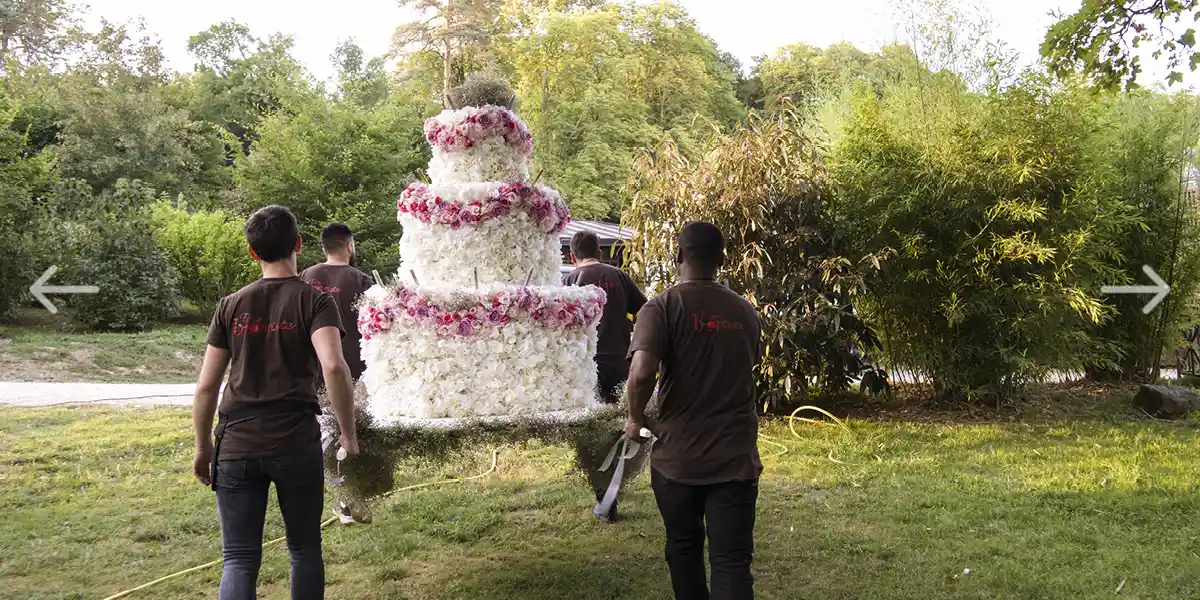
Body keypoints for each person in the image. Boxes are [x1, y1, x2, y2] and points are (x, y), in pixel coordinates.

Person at [191, 205, 360, 600]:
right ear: (298, 244)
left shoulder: (230, 305)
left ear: (253, 252)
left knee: (238, 558)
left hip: (235, 444)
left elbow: (205, 388)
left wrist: (203, 448)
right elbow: (334, 368)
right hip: (295, 441)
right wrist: (348, 436)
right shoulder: (315, 301)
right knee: (304, 549)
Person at [625, 221, 763, 600]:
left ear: (678, 255)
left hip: (678, 461)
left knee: (684, 548)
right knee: (732, 561)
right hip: (735, 458)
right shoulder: (745, 312)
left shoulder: (661, 308)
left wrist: (636, 418)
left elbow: (640, 375)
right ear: (721, 260)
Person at [564, 230, 646, 523]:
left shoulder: (568, 280)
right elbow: (644, 309)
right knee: (619, 425)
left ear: (572, 257)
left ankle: (606, 497)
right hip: (620, 362)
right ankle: (616, 481)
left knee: (592, 431)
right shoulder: (618, 276)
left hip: (586, 367)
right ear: (599, 252)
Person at [300, 222, 376, 382]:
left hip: (311, 369)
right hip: (353, 370)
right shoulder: (362, 280)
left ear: (324, 249)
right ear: (349, 246)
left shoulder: (304, 277)